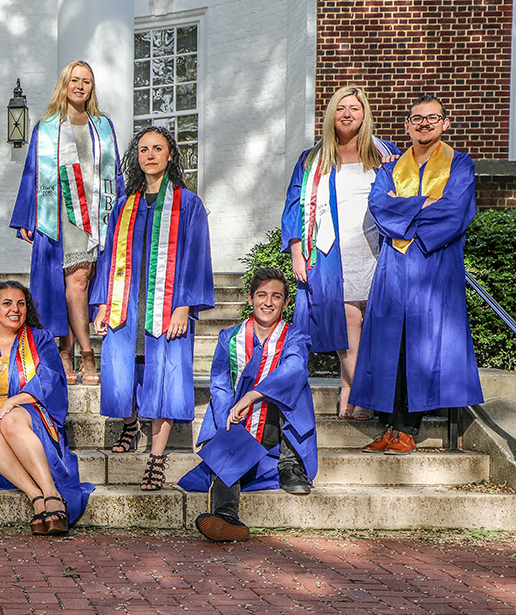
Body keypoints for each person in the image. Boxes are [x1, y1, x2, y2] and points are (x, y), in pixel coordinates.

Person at [352, 94, 484, 454]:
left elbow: (454, 212)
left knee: (423, 346)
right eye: (417, 118)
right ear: (407, 125)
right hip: (394, 268)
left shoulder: (459, 165)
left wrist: (405, 213)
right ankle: (388, 427)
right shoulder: (390, 169)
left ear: (445, 123)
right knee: (387, 347)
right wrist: (422, 204)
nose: (424, 123)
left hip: (434, 263)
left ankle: (409, 428)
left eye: (432, 118)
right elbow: (379, 204)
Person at [92, 126, 214, 491]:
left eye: (157, 148)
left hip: (169, 305)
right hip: (126, 304)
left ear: (170, 155)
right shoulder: (124, 205)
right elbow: (108, 255)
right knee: (120, 367)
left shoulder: (187, 203)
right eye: (143, 149)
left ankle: (156, 459)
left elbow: (196, 257)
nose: (150, 155)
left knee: (165, 374)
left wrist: (184, 307)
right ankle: (131, 426)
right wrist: (101, 303)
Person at [281, 85, 400, 420]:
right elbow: (293, 207)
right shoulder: (311, 159)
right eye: (340, 108)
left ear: (365, 115)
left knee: (372, 322)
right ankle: (358, 389)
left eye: (355, 108)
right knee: (346, 321)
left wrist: (396, 166)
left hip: (378, 249)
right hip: (333, 252)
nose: (347, 114)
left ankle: (350, 388)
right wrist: (295, 252)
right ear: (330, 115)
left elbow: (404, 192)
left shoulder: (384, 152)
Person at [0, 281, 94, 536]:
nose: (16, 309)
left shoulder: (39, 339)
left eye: (21, 303)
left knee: (11, 420)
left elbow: (50, 377)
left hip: (28, 412)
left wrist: (15, 400)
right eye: (7, 303)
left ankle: (51, 493)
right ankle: (36, 497)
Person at [178, 267, 317, 542]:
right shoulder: (230, 338)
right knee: (226, 452)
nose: (268, 302)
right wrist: (228, 416)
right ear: (251, 299)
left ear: (286, 303)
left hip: (275, 432)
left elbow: (294, 367)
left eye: (276, 296)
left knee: (297, 381)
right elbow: (219, 386)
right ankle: (226, 517)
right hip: (240, 426)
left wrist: (252, 395)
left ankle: (290, 463)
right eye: (262, 295)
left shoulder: (294, 337)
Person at [9, 60, 124, 385]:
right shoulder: (47, 127)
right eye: (75, 80)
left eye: (86, 81)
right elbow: (32, 171)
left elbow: (114, 170)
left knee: (79, 283)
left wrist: (119, 210)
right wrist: (27, 216)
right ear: (65, 84)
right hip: (60, 216)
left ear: (92, 87)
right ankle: (78, 352)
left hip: (96, 215)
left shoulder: (103, 125)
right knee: (68, 285)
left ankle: (72, 351)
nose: (80, 86)